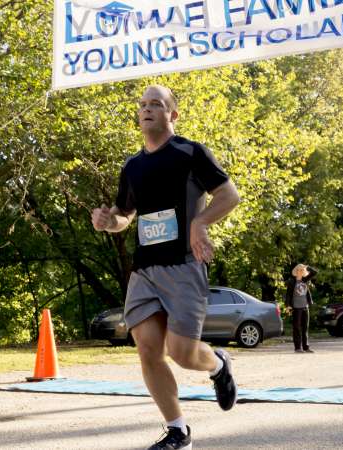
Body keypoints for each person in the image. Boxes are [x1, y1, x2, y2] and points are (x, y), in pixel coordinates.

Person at [91, 85, 240, 450]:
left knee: (183, 353)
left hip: (184, 267)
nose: (147, 109)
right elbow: (125, 216)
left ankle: (218, 365)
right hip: (144, 271)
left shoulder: (190, 153)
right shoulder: (132, 166)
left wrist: (199, 223)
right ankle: (178, 431)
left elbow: (228, 195)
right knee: (147, 349)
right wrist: (108, 222)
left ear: (172, 114)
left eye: (156, 104)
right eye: (142, 104)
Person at [285, 264, 318, 353]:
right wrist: (287, 305)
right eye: (299, 270)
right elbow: (288, 294)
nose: (300, 271)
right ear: (296, 271)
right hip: (296, 307)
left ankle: (306, 347)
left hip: (305, 307)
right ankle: (297, 348)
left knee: (305, 328)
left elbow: (315, 272)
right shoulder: (292, 282)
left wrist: (307, 267)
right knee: (297, 328)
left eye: (302, 270)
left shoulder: (305, 280)